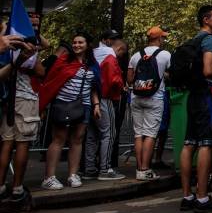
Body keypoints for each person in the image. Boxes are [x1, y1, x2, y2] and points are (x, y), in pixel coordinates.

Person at [38, 33, 101, 190]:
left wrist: (96, 104)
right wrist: (43, 106)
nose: (76, 45)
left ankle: (73, 175)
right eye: (74, 42)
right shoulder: (64, 61)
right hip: (63, 104)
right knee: (59, 139)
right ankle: (49, 177)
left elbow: (93, 87)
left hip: (84, 105)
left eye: (80, 42)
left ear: (88, 45)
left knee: (78, 139)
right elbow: (51, 82)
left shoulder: (92, 64)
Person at [179, 4, 212, 213]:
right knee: (206, 144)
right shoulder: (210, 39)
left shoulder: (193, 40)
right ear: (206, 20)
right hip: (206, 95)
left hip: (192, 96)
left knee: (189, 144)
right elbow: (208, 70)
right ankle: (202, 196)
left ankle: (187, 194)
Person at [0, 31, 41, 209]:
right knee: (22, 144)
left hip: (9, 100)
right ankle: (17, 188)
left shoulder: (6, 53)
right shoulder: (27, 55)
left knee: (7, 143)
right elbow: (42, 72)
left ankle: (1, 186)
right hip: (25, 101)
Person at [127, 26, 173, 181]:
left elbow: (129, 79)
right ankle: (145, 169)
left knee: (138, 134)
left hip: (136, 97)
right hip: (155, 97)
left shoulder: (135, 56)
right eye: (163, 38)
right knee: (150, 134)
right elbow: (171, 74)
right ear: (159, 38)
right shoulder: (165, 55)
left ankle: (139, 168)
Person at [82, 32, 125, 181]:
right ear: (118, 47)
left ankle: (89, 169)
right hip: (105, 98)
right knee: (109, 132)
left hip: (90, 97)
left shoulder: (92, 53)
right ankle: (105, 169)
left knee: (92, 134)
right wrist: (121, 88)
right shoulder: (110, 55)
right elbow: (114, 80)